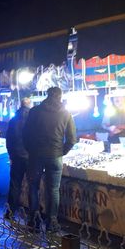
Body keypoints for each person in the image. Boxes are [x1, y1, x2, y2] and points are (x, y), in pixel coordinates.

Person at [23, 86, 76, 232]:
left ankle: (33, 220)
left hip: (36, 156)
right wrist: (61, 151)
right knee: (53, 189)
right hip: (55, 156)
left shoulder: (34, 111)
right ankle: (52, 221)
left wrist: (31, 150)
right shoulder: (66, 113)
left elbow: (25, 134)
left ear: (47, 95)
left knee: (33, 187)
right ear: (60, 96)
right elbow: (72, 139)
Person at [5, 97, 31, 219]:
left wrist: (11, 155)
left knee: (15, 185)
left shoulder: (13, 119)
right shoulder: (33, 118)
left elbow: (8, 140)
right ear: (29, 104)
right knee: (32, 186)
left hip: (16, 157)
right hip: (30, 157)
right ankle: (33, 214)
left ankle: (10, 212)